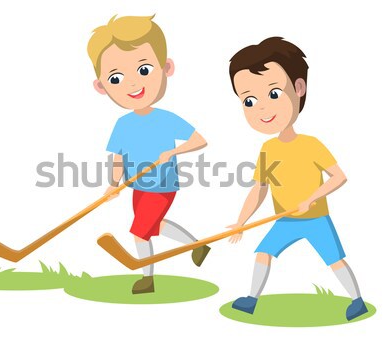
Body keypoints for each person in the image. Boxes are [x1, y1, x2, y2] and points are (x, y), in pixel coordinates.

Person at [226, 37, 367, 320]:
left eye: (274, 94)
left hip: (316, 219)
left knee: (335, 261)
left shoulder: (311, 144)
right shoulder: (268, 148)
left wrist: (311, 199)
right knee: (263, 253)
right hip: (286, 220)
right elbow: (259, 189)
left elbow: (339, 177)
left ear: (298, 88)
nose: (262, 109)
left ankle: (357, 300)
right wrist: (240, 222)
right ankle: (251, 300)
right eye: (250, 101)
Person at [87, 15, 210, 294]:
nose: (132, 84)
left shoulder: (167, 119)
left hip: (162, 184)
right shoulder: (123, 124)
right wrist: (113, 184)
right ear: (102, 86)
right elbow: (117, 156)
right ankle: (198, 246)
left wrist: (173, 152)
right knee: (156, 226)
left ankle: (147, 278)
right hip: (137, 185)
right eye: (117, 78)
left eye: (143, 70)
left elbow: (199, 140)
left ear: (166, 68)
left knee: (139, 231)